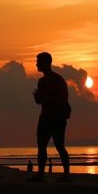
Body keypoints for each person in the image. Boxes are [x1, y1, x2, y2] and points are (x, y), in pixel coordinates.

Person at [30, 51, 71, 182]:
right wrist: (38, 98)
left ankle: (66, 175)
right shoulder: (41, 81)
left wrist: (43, 98)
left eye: (38, 61)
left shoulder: (58, 80)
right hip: (45, 116)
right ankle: (40, 174)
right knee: (41, 145)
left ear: (46, 63)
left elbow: (62, 99)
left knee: (59, 145)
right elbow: (39, 102)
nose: (36, 64)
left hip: (57, 117)